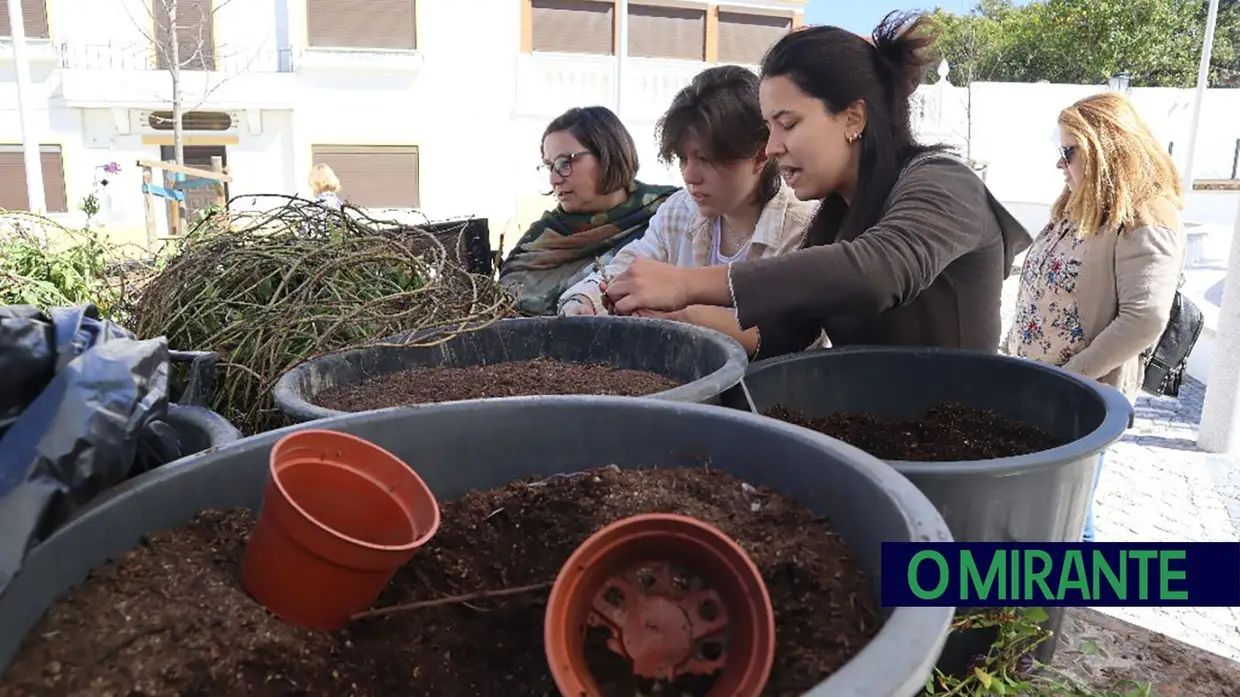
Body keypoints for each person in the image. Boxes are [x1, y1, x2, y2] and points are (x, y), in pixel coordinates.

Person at [602, 12, 1031, 358]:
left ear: (853, 118)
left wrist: (685, 283)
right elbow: (784, 330)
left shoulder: (943, 181)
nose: (771, 147)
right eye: (769, 127)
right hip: (879, 435)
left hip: (963, 448)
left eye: (787, 124)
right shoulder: (835, 216)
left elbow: (878, 271)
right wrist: (674, 313)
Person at [1003, 92, 1185, 542]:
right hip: (1041, 388)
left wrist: (1069, 379)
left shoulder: (1146, 216)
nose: (1059, 163)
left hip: (1079, 397)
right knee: (1045, 509)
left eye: (1069, 151)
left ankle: (1075, 611)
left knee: (1066, 519)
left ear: (1107, 148)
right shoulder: (1080, 203)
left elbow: (1145, 317)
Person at [557, 65, 817, 354]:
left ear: (758, 155)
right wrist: (584, 301)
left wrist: (682, 317)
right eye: (683, 158)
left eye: (705, 158)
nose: (690, 175)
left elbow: (795, 334)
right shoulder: (680, 210)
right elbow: (629, 265)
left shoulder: (801, 226)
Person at [499, 106, 679, 316]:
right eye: (550, 166)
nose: (554, 179)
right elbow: (506, 296)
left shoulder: (670, 215)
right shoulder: (544, 237)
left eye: (565, 162)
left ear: (607, 155)